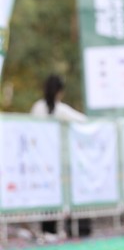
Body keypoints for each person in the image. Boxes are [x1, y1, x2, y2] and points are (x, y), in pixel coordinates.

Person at [30, 74, 90, 239]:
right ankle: (65, 229)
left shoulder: (37, 108)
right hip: (58, 162)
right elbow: (84, 120)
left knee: (47, 196)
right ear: (59, 91)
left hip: (41, 161)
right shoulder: (61, 110)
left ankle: (48, 230)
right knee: (64, 194)